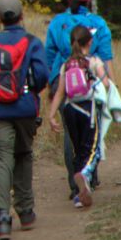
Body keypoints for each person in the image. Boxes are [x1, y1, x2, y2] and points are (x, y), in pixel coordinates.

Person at [0, 0, 49, 240]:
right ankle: (26, 212)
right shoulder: (32, 43)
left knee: (2, 158)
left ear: (0, 20)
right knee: (23, 154)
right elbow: (42, 75)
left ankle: (1, 219)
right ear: (22, 16)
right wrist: (30, 93)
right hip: (25, 109)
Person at [44, 0, 116, 189]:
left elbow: (49, 54)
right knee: (92, 129)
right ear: (88, 0)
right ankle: (89, 175)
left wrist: (52, 82)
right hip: (91, 80)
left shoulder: (58, 23)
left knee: (70, 131)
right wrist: (113, 84)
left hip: (64, 79)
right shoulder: (98, 23)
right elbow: (106, 56)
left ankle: (74, 183)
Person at [48, 24, 107, 207]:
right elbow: (105, 84)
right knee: (93, 149)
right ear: (90, 42)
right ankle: (86, 174)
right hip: (88, 109)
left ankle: (79, 194)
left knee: (77, 150)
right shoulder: (93, 61)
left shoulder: (66, 65)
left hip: (69, 110)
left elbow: (59, 92)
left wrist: (51, 115)